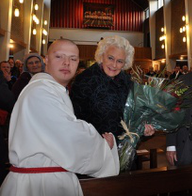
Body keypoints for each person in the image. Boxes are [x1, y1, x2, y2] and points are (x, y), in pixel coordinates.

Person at [0, 39, 120, 196]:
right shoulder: (40, 91)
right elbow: (69, 135)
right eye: (59, 57)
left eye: (73, 58)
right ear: (47, 60)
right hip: (38, 184)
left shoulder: (53, 89)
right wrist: (103, 145)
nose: (66, 63)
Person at [70, 35, 154, 143]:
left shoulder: (128, 82)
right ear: (102, 56)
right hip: (94, 151)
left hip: (124, 149)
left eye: (120, 61)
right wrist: (99, 140)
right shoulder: (84, 81)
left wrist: (143, 129)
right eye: (110, 58)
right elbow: (75, 121)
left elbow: (135, 117)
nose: (114, 65)